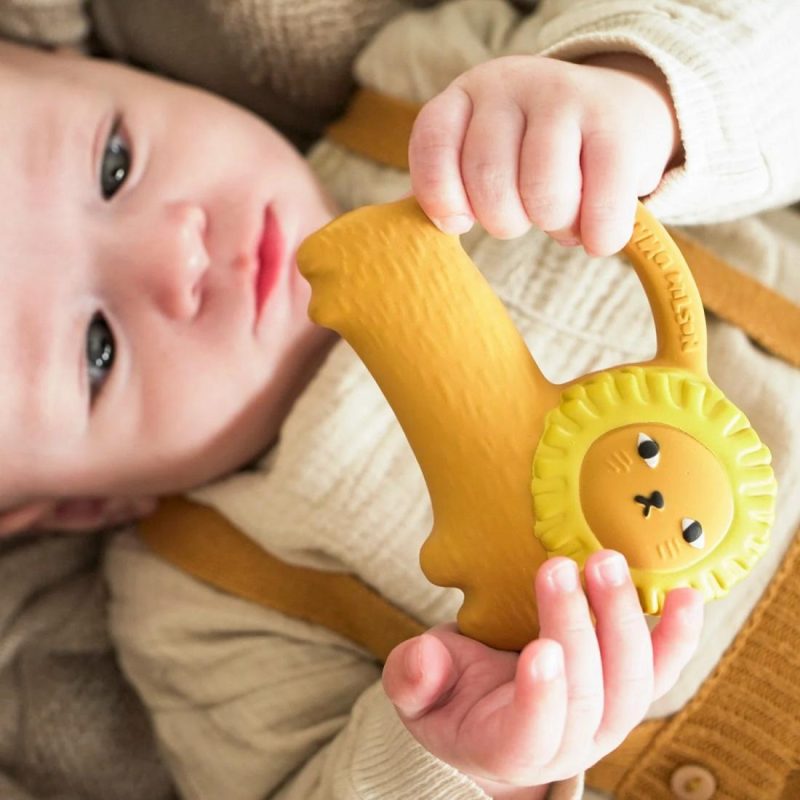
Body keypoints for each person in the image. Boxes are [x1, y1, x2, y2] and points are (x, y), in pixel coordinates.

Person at [0, 0, 798, 798]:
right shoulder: (195, 607)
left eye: (114, 164)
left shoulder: (448, 95)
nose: (178, 251)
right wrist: (466, 762)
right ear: (86, 505)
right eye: (95, 352)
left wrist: (647, 95)